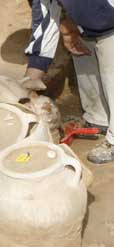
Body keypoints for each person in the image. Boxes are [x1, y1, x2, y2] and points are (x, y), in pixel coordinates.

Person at [24, 0, 114, 163]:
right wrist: (32, 79)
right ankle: (98, 119)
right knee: (82, 51)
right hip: (89, 22)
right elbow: (46, 19)